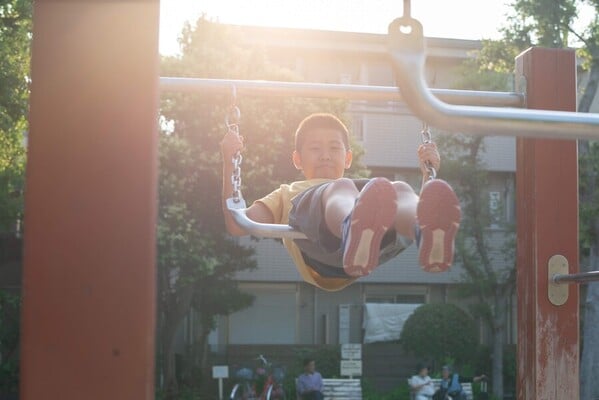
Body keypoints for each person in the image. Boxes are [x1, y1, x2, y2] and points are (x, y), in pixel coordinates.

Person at [221, 113, 461, 291]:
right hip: (319, 256)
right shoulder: (287, 193)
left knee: (399, 189)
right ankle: (353, 229)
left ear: (347, 158)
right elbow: (237, 223)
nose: (325, 155)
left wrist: (428, 174)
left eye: (334, 148)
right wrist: (229, 161)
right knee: (342, 188)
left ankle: (423, 229)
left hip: (366, 252)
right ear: (297, 159)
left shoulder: (366, 192)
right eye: (315, 148)